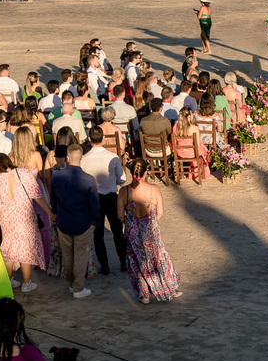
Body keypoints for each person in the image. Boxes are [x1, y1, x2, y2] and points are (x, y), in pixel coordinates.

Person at [116, 159, 180, 304]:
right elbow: (160, 212)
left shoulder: (124, 191)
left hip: (133, 232)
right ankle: (167, 288)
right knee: (158, 260)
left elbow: (120, 216)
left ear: (131, 172)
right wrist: (150, 222)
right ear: (145, 172)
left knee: (137, 262)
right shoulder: (153, 189)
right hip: (150, 231)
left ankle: (143, 294)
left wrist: (129, 222)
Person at [0, 154, 53, 293]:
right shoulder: (24, 173)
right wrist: (49, 212)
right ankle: (26, 282)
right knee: (26, 249)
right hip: (25, 217)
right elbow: (37, 196)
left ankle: (8, 281)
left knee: (8, 250)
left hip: (7, 219)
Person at [50, 145, 100, 299]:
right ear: (81, 158)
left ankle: (72, 283)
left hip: (64, 221)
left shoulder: (57, 177)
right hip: (83, 222)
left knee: (68, 254)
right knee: (80, 255)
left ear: (67, 158)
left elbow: (53, 200)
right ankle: (78, 287)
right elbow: (94, 205)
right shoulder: (89, 179)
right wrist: (93, 221)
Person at [81, 127, 127, 275]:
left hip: (94, 198)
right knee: (117, 231)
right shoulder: (112, 157)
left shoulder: (84, 159)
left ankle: (104, 265)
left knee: (98, 233)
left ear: (89, 139)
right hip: (111, 196)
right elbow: (122, 179)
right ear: (103, 139)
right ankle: (123, 261)